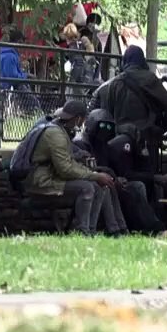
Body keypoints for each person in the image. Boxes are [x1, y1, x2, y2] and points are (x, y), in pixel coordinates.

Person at [26, 101, 126, 236]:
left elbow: (68, 162)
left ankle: (90, 231)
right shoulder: (56, 134)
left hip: (50, 177)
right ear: (78, 118)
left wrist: (94, 175)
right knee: (87, 187)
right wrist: (94, 175)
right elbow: (65, 169)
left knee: (99, 187)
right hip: (42, 181)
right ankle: (82, 231)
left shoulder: (60, 131)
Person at [76, 109, 164, 234]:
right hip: (92, 181)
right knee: (113, 188)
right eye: (102, 125)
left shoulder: (104, 146)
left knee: (136, 186)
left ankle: (143, 227)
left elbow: (115, 168)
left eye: (108, 126)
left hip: (109, 180)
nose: (105, 129)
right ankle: (118, 228)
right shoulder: (80, 144)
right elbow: (86, 168)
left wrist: (117, 177)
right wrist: (111, 176)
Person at [93, 45, 167, 174]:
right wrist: (160, 128)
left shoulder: (114, 83)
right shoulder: (150, 79)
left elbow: (107, 113)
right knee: (149, 176)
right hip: (146, 138)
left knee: (124, 175)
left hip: (120, 139)